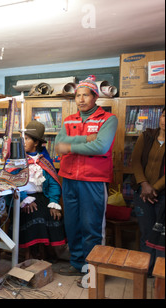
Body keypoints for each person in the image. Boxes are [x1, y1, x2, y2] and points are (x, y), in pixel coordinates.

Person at [55, 75, 118, 278]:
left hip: (94, 181)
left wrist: (71, 146)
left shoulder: (108, 119)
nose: (81, 99)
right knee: (72, 225)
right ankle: (77, 264)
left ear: (95, 97)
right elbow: (58, 146)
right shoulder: (68, 120)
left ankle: (93, 271)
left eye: (85, 95)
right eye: (78, 96)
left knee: (92, 227)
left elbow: (101, 146)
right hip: (69, 179)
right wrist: (85, 140)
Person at [18, 121, 66, 260]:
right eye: (23, 138)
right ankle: (30, 253)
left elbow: (53, 184)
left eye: (27, 138)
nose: (23, 141)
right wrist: (24, 199)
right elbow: (12, 182)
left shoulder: (44, 161)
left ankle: (47, 253)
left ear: (36, 143)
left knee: (53, 214)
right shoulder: (17, 160)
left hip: (42, 197)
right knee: (34, 213)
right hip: (24, 198)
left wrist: (54, 202)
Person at [131, 107, 165, 275]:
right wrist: (144, 184)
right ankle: (146, 270)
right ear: (160, 117)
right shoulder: (147, 135)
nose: (165, 120)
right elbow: (135, 161)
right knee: (146, 232)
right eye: (164, 115)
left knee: (160, 236)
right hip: (142, 193)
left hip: (162, 195)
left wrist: (154, 189)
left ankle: (160, 273)